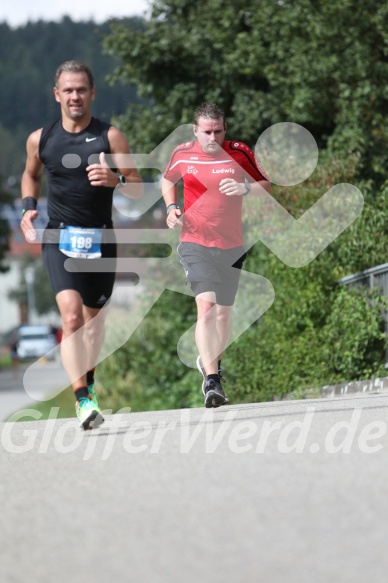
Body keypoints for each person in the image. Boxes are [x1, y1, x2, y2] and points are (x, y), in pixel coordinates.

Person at [20, 60, 142, 429]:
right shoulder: (41, 138)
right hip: (59, 238)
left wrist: (116, 178)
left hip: (101, 240)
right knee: (71, 315)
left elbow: (138, 187)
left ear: (92, 93)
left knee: (93, 325)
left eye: (81, 89)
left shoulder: (111, 137)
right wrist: (28, 208)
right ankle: (82, 399)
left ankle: (88, 381)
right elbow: (30, 174)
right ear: (57, 94)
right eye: (68, 90)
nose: (75, 96)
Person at [162, 103, 271, 408]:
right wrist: (171, 209)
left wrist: (245, 188)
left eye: (218, 131)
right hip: (195, 243)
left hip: (232, 245)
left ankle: (212, 364)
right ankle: (212, 380)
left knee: (224, 315)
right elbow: (167, 180)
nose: (212, 137)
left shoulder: (238, 153)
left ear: (225, 129)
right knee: (207, 310)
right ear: (195, 131)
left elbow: (267, 185)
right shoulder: (183, 153)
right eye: (206, 132)